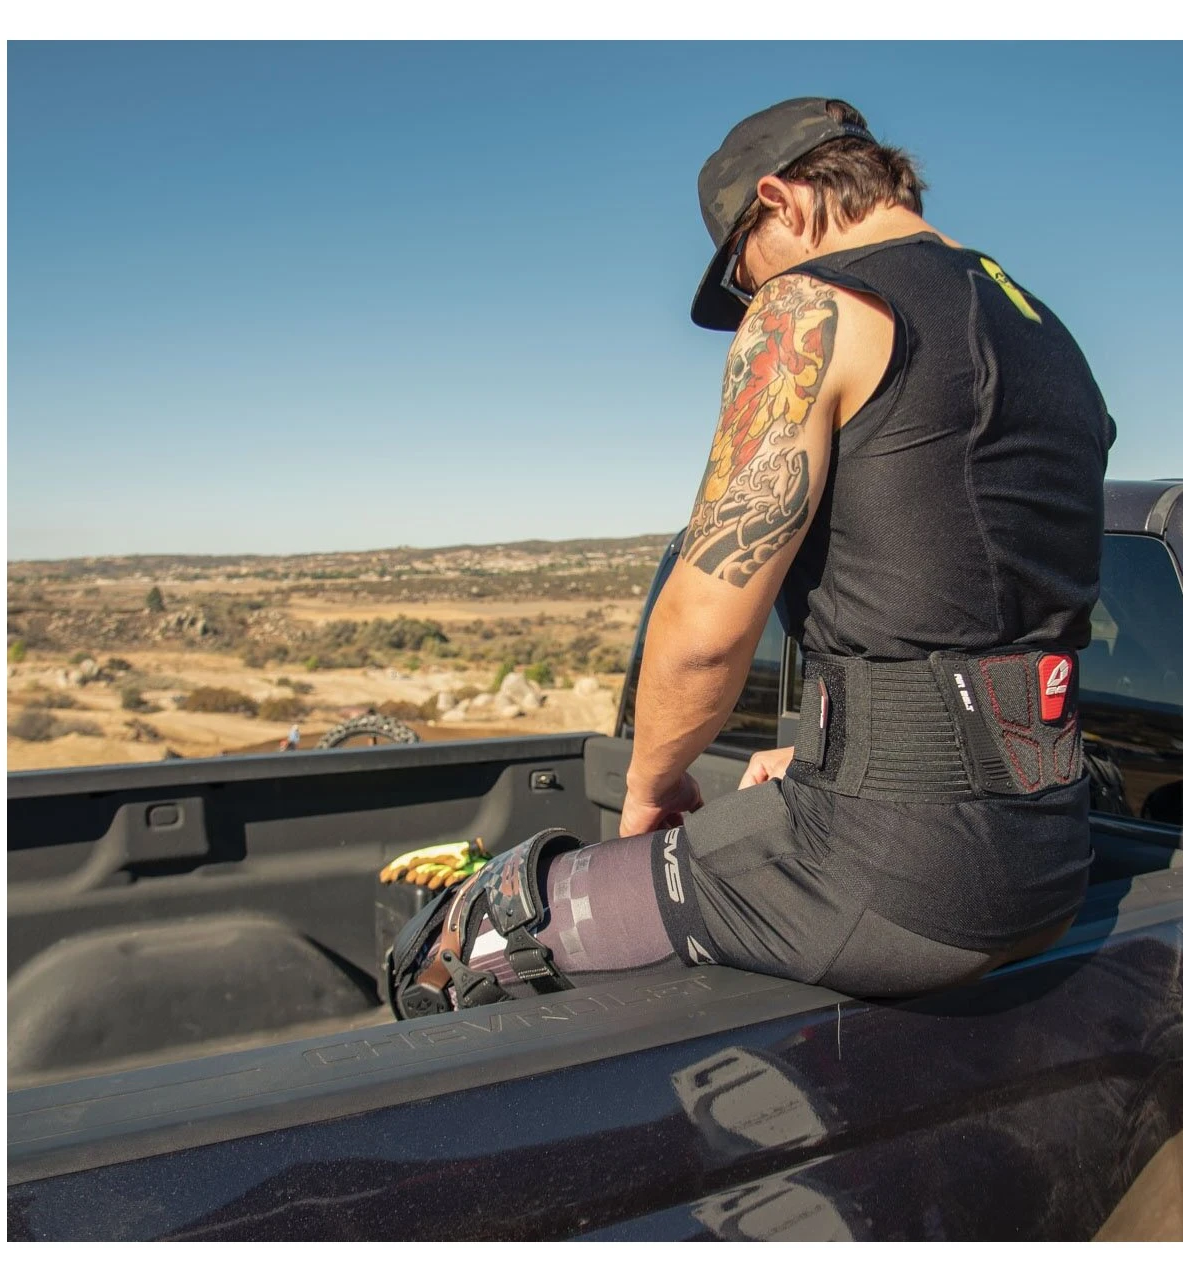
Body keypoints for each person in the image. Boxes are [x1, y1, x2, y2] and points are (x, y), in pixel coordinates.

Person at [388, 97, 1115, 1019]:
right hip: (1046, 861)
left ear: (781, 201)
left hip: (887, 874)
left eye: (741, 268)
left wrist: (651, 788)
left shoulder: (810, 306)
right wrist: (832, 746)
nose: (749, 295)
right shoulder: (1045, 330)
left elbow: (704, 630)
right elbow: (964, 594)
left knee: (470, 935)